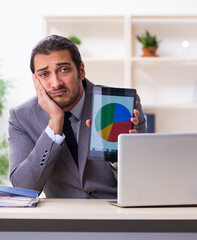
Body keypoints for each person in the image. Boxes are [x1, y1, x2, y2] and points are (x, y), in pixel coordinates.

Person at [8, 35, 146, 198]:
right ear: (35, 80)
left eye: (64, 70)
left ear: (81, 71)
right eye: (44, 74)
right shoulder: (21, 117)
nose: (56, 83)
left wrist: (118, 151)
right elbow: (24, 188)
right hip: (62, 219)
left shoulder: (118, 104)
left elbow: (139, 186)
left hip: (116, 215)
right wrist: (54, 125)